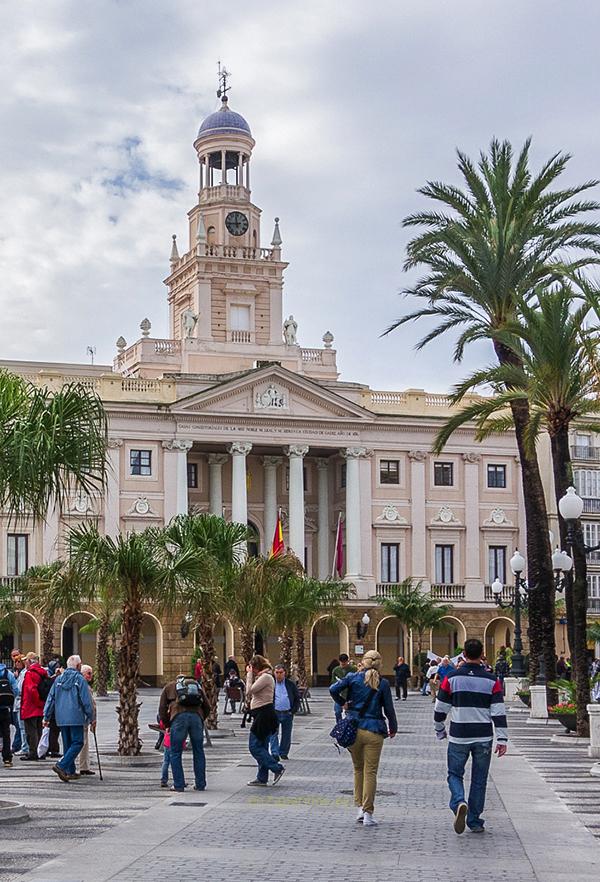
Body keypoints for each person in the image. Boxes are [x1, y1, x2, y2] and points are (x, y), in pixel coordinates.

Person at [434, 637, 508, 834]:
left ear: (464, 655)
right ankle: (474, 820)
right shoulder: (492, 681)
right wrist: (502, 738)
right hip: (483, 735)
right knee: (479, 779)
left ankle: (459, 801)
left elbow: (441, 707)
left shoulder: (452, 678)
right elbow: (498, 711)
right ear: (482, 654)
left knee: (454, 774)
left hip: (459, 734)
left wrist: (440, 729)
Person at [330, 650, 397, 826]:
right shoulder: (382, 683)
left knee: (358, 769)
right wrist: (393, 727)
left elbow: (333, 688)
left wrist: (342, 702)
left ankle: (359, 807)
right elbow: (389, 709)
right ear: (379, 664)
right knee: (370, 772)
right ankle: (368, 813)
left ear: (364, 662)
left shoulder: (353, 678)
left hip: (354, 730)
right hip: (374, 730)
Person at [43, 655, 95, 782]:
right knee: (78, 742)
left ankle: (70, 771)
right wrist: (91, 716)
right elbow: (86, 701)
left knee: (67, 744)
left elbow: (51, 698)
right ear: (78, 666)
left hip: (61, 717)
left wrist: (46, 716)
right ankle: (61, 765)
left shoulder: (58, 680)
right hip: (75, 716)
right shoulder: (80, 680)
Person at [158, 674, 210, 793]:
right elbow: (207, 706)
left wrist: (167, 725)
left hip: (178, 718)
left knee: (175, 752)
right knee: (198, 751)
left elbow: (161, 709)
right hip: (196, 718)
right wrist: (201, 718)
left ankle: (179, 784)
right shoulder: (197, 686)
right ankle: (200, 784)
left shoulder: (169, 687)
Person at [245, 655, 285, 787]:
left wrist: (249, 675)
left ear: (256, 667)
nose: (252, 670)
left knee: (254, 746)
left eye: (253, 668)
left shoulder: (266, 677)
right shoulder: (264, 677)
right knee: (262, 746)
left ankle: (276, 767)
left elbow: (249, 691)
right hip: (263, 714)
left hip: (264, 715)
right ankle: (262, 777)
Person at [20, 652, 49, 761]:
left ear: (29, 661)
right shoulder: (43, 672)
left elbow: (31, 690)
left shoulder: (30, 674)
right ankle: (40, 751)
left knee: (31, 731)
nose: (24, 662)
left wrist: (37, 702)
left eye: (26, 660)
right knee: (39, 730)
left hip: (30, 706)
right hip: (40, 707)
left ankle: (33, 752)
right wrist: (41, 703)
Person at [269, 664, 300, 761]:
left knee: (286, 734)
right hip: (275, 712)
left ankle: (283, 752)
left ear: (285, 673)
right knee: (273, 733)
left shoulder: (290, 684)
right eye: (277, 672)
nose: (278, 675)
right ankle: (275, 752)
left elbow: (296, 698)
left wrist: (293, 710)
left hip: (287, 713)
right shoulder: (271, 684)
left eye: (281, 673)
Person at [77, 664, 97, 776]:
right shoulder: (84, 686)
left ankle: (84, 766)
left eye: (91, 673)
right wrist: (92, 719)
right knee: (82, 743)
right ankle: (83, 766)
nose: (91, 676)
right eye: (88, 673)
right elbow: (89, 705)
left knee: (83, 743)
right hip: (82, 719)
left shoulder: (82, 685)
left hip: (81, 718)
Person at [0, 660, 18, 767]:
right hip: (5, 708)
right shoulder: (8, 673)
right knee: (6, 733)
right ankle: (7, 758)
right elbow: (16, 690)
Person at [331, 653, 357, 722]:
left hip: (349, 694)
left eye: (345, 663)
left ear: (347, 661)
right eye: (342, 663)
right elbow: (333, 683)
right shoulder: (336, 670)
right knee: (337, 711)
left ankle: (348, 725)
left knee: (349, 713)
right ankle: (339, 725)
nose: (343, 665)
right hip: (340, 695)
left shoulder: (353, 669)